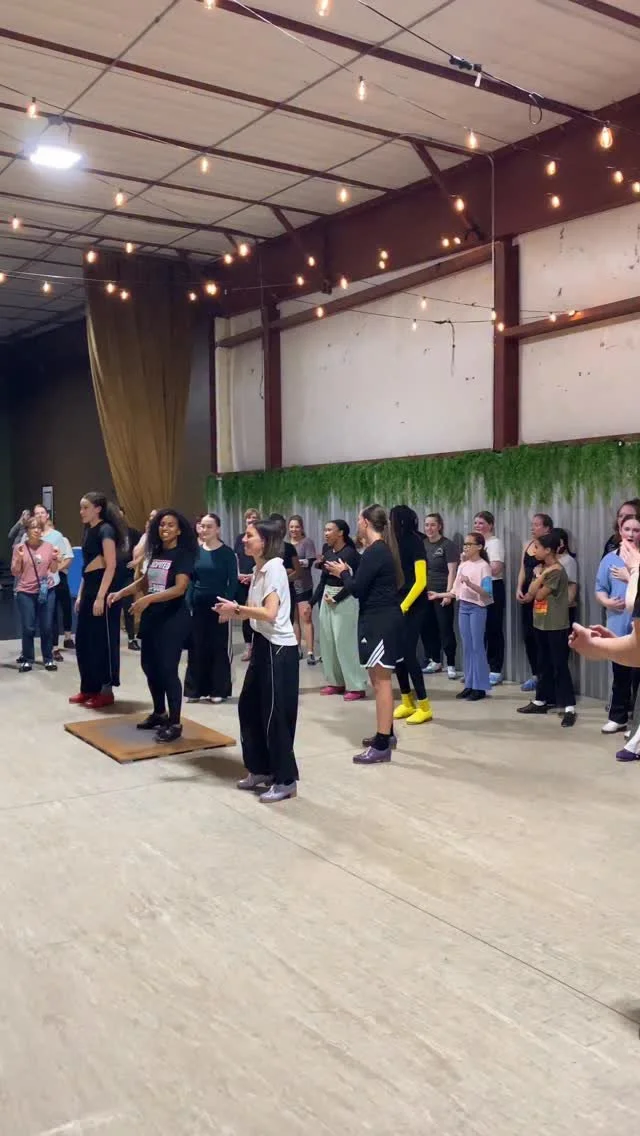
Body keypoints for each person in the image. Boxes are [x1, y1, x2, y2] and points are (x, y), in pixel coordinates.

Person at [214, 518, 299, 803]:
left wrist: (237, 609)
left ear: (265, 541)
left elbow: (270, 613)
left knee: (275, 715)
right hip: (263, 644)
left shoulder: (274, 568)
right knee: (249, 707)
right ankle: (261, 768)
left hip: (279, 648)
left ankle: (285, 779)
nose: (244, 540)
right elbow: (256, 611)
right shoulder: (257, 570)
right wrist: (232, 612)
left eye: (249, 535)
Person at [108, 510, 198, 742]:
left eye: (170, 525)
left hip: (172, 619)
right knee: (150, 666)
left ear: (179, 530)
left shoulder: (183, 555)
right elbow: (146, 580)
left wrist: (148, 599)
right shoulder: (157, 552)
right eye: (162, 525)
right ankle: (159, 713)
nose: (165, 529)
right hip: (152, 617)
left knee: (168, 670)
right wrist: (121, 593)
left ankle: (175, 722)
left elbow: (179, 588)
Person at [326, 504, 404, 764]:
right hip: (375, 619)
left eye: (359, 519)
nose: (357, 524)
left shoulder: (375, 551)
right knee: (376, 679)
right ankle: (386, 733)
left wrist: (343, 573)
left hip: (381, 621)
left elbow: (357, 589)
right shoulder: (377, 551)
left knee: (382, 682)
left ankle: (382, 745)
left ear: (367, 522)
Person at [70, 492, 126, 710]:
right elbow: (87, 567)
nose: (81, 512)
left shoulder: (106, 530)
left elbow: (110, 565)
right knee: (84, 641)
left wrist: (101, 597)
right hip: (90, 589)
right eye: (81, 507)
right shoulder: (88, 530)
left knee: (102, 642)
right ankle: (88, 687)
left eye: (85, 507)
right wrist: (81, 594)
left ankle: (105, 690)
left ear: (98, 509)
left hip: (103, 590)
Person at [517, 530, 576, 727]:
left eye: (538, 548)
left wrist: (539, 577)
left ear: (548, 550)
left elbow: (538, 594)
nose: (534, 551)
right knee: (543, 663)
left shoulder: (556, 571)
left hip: (555, 624)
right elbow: (531, 591)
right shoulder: (545, 569)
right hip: (540, 622)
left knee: (559, 664)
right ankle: (542, 700)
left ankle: (568, 706)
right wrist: (540, 576)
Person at [430, 532, 493, 701]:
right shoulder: (463, 566)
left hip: (477, 608)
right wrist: (438, 595)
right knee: (467, 647)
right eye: (465, 544)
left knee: (477, 647)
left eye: (469, 544)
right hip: (463, 607)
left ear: (479, 547)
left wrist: (470, 584)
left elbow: (487, 593)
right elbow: (455, 591)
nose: (466, 547)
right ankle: (469, 684)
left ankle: (480, 687)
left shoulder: (484, 566)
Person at [595, 514, 640, 734]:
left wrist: (630, 576)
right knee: (620, 674)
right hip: (617, 624)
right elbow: (599, 589)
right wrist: (607, 601)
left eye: (636, 530)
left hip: (637, 627)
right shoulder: (609, 559)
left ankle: (636, 724)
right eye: (627, 529)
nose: (631, 534)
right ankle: (618, 717)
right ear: (620, 531)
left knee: (638, 677)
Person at [186, 513, 237, 704]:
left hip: (219, 606)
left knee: (218, 647)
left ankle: (218, 689)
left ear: (217, 529)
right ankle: (194, 690)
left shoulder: (227, 553)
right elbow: (192, 580)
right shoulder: (196, 552)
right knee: (196, 647)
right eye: (202, 526)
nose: (204, 530)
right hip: (198, 606)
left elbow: (232, 582)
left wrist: (226, 607)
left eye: (209, 526)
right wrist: (188, 603)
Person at [312, 519, 365, 701]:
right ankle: (336, 682)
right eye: (325, 530)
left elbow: (355, 583)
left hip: (345, 598)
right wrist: (311, 602)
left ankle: (356, 685)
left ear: (340, 532)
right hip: (328, 597)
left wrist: (337, 598)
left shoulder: (351, 554)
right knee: (328, 642)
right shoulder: (328, 552)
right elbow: (323, 581)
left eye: (329, 530)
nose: (325, 533)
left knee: (345, 643)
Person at [390, 505, 432, 726]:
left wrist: (404, 605)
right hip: (399, 602)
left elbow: (421, 581)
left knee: (408, 653)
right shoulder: (394, 542)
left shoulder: (415, 541)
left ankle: (424, 705)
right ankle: (407, 700)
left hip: (415, 605)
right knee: (397, 654)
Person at [11, 516, 59, 673]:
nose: (37, 530)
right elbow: (15, 572)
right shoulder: (20, 548)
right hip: (26, 592)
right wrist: (19, 557)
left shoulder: (49, 546)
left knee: (46, 627)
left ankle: (48, 658)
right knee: (28, 628)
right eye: (33, 527)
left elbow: (53, 569)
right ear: (27, 530)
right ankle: (27, 659)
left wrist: (55, 558)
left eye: (39, 527)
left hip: (46, 590)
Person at [516, 513, 554, 692]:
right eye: (532, 524)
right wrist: (518, 588)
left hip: (540, 594)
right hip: (526, 592)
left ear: (547, 528)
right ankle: (535, 674)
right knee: (528, 635)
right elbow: (523, 569)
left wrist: (534, 593)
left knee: (541, 635)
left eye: (537, 525)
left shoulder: (549, 548)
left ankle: (546, 676)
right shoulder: (527, 544)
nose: (533, 528)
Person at [33, 503, 75, 661]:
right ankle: (31, 650)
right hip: (35, 581)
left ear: (47, 515)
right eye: (36, 513)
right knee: (38, 617)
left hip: (54, 580)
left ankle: (55, 647)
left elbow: (65, 557)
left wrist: (56, 567)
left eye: (42, 513)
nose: (39, 516)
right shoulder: (30, 535)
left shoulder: (58, 536)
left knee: (55, 612)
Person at [421, 512, 459, 679]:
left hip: (442, 593)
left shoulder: (447, 545)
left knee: (445, 629)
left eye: (433, 525)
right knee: (428, 629)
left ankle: (450, 664)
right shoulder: (422, 544)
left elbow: (452, 571)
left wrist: (448, 594)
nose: (429, 528)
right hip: (426, 594)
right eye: (427, 525)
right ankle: (435, 661)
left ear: (440, 526)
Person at [473, 510, 505, 685]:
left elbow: (496, 568)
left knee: (493, 628)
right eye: (476, 523)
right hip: (476, 589)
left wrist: (476, 565)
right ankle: (480, 668)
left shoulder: (494, 543)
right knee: (479, 630)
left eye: (481, 523)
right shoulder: (474, 544)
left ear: (490, 525)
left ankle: (495, 669)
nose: (477, 526)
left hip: (492, 587)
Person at [288, 514, 317, 665]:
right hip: (290, 586)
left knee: (306, 617)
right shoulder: (286, 544)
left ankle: (310, 651)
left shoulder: (307, 542)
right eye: (291, 527)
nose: (294, 529)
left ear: (302, 528)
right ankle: (297, 648)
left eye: (297, 527)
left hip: (304, 585)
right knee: (294, 619)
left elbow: (310, 561)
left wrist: (295, 562)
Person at [234, 507, 259, 662]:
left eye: (254, 517)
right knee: (244, 614)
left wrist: (252, 576)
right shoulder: (239, 538)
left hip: (256, 579)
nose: (251, 520)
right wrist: (238, 574)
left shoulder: (261, 538)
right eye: (249, 517)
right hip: (241, 581)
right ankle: (248, 647)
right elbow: (236, 557)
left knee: (256, 612)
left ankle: (258, 647)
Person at [117, 508, 143, 652]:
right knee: (113, 606)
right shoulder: (109, 533)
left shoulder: (132, 533)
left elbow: (146, 548)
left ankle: (131, 638)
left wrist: (137, 561)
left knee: (128, 605)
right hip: (113, 574)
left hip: (127, 573)